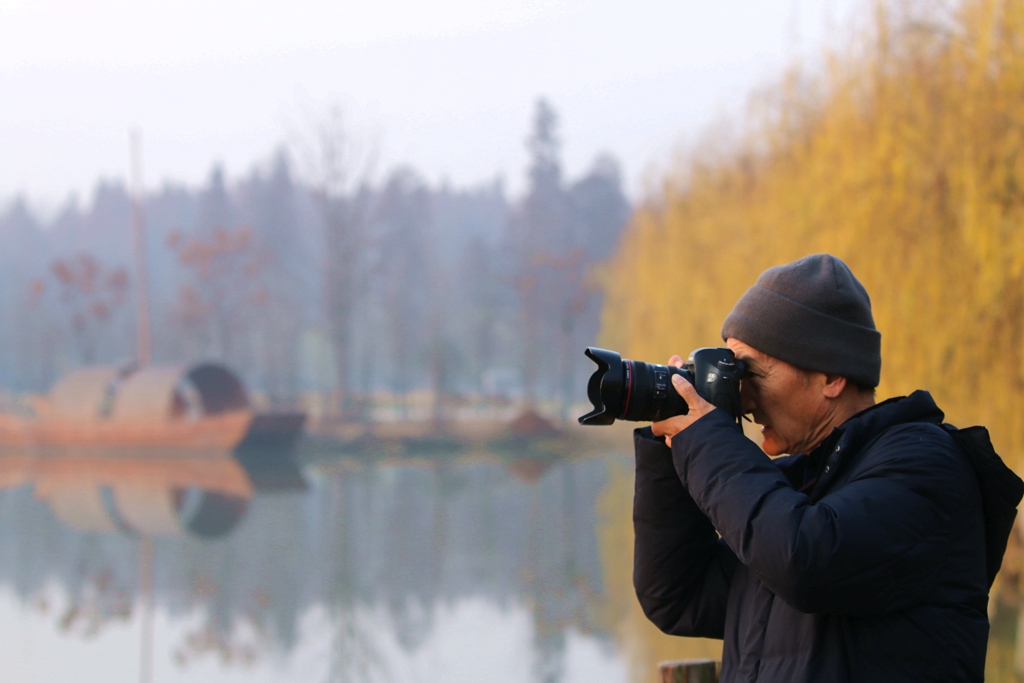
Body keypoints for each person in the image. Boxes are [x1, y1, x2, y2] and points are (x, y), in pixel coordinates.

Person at [633, 253, 1022, 682]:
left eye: (751, 374)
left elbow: (804, 560)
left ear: (831, 376)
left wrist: (705, 440)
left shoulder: (926, 467)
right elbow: (678, 595)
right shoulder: (803, 488)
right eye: (732, 374)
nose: (741, 397)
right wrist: (671, 448)